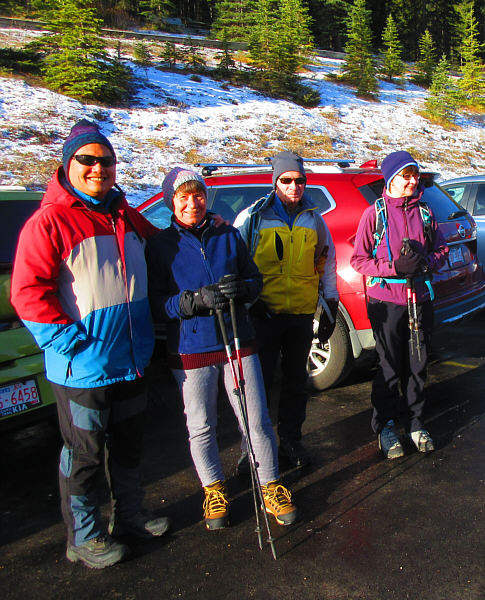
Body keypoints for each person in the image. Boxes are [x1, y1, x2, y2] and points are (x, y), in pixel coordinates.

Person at [10, 119, 170, 569]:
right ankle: (83, 536)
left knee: (130, 446)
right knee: (84, 454)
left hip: (132, 358)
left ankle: (131, 518)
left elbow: (164, 246)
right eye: (87, 160)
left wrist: (208, 227)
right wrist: (67, 342)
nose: (99, 168)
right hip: (84, 366)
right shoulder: (50, 221)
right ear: (68, 165)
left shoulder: (125, 214)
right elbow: (27, 291)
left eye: (107, 161)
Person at [146, 168, 298, 530]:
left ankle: (270, 484)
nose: (192, 202)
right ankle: (213, 490)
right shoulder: (160, 246)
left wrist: (243, 290)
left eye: (197, 194)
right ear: (171, 200)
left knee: (255, 418)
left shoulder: (228, 235)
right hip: (191, 347)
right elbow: (155, 303)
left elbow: (254, 280)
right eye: (183, 196)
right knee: (201, 424)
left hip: (237, 340)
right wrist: (192, 301)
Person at [234, 151, 339, 468]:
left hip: (300, 316)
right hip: (263, 316)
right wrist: (249, 304)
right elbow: (236, 266)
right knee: (258, 387)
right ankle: (251, 450)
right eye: (287, 180)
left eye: (300, 181)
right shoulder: (251, 219)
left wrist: (330, 305)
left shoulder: (315, 220)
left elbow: (327, 263)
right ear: (274, 181)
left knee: (295, 383)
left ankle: (291, 441)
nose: (295, 186)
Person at [349, 151, 448, 459]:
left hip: (420, 297)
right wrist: (394, 267)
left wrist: (425, 263)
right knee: (390, 367)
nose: (412, 180)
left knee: (418, 364)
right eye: (406, 175)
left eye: (415, 175)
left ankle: (416, 423)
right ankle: (387, 426)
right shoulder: (374, 214)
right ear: (391, 179)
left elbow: (441, 249)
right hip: (386, 301)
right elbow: (359, 260)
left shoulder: (426, 212)